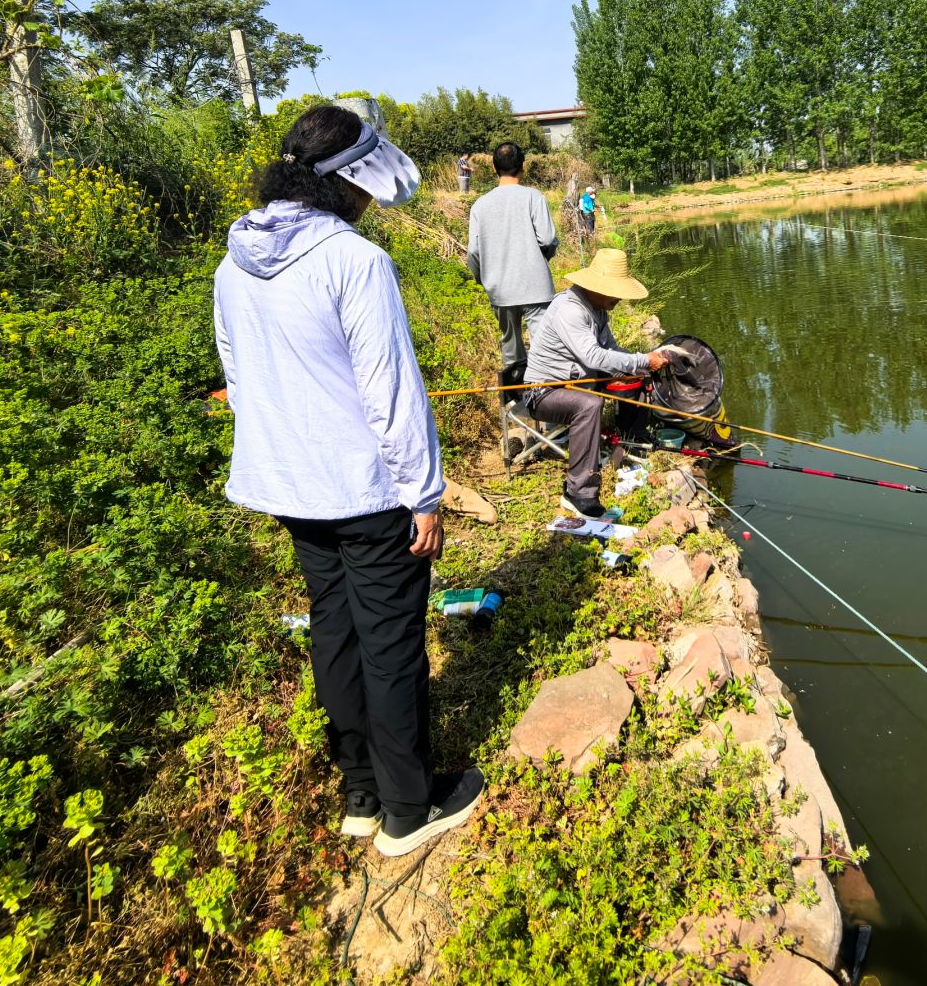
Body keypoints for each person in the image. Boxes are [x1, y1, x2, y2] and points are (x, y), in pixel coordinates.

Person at [214, 104, 485, 857]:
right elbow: (390, 390)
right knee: (390, 643)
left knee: (334, 633)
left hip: (289, 489)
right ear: (348, 184)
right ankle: (408, 809)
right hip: (367, 493)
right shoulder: (353, 261)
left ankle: (359, 792)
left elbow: (238, 379)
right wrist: (423, 494)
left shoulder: (233, 261)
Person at [523, 247, 670, 517]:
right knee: (589, 405)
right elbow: (593, 356)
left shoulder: (598, 310)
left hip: (581, 380)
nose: (619, 298)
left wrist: (641, 363)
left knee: (636, 373)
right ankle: (578, 492)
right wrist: (642, 359)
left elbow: (611, 351)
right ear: (598, 287)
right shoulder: (570, 310)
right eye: (616, 291)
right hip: (545, 392)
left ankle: (633, 437)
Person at [465, 140, 556, 398]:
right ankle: (549, 412)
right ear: (522, 167)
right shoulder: (533, 197)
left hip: (500, 290)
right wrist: (544, 257)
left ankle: (519, 405)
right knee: (543, 348)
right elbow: (547, 239)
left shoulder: (480, 205)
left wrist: (482, 279)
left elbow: (473, 252)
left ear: (494, 167)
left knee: (511, 348)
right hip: (536, 287)